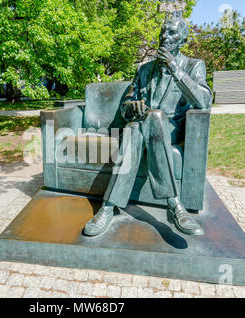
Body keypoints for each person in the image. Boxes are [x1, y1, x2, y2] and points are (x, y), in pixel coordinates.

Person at [83, 16, 212, 237]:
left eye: (171, 33)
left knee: (156, 117)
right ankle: (171, 204)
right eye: (163, 31)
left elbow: (204, 99)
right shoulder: (144, 70)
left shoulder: (193, 66)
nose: (164, 36)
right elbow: (126, 106)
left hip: (169, 128)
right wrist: (131, 107)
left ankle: (108, 207)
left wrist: (174, 69)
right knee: (134, 128)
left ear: (182, 41)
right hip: (141, 127)